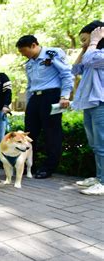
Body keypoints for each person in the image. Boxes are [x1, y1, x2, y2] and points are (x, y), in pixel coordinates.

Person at [16, 35, 74, 179]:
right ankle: (29, 165)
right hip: (35, 98)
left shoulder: (53, 54)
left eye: (24, 51)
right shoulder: (29, 63)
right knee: (29, 134)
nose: (23, 54)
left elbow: (67, 74)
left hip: (51, 96)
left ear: (34, 45)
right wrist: (29, 103)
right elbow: (30, 85)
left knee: (51, 133)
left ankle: (49, 167)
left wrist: (65, 96)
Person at [71, 21, 104, 195]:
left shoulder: (99, 55)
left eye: (85, 40)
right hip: (90, 104)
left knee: (101, 145)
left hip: (101, 104)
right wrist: (85, 48)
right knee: (95, 144)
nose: (83, 44)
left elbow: (91, 59)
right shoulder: (92, 53)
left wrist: (93, 42)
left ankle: (103, 182)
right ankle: (99, 177)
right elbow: (75, 69)